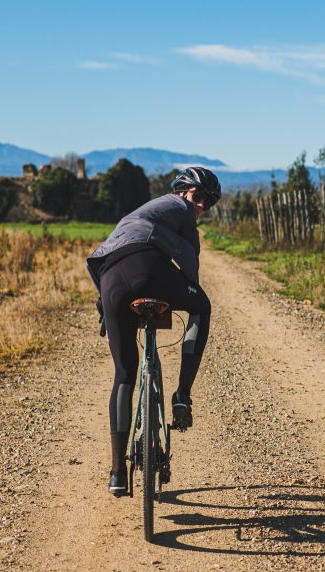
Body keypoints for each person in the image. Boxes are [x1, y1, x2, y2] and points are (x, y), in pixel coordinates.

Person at [86, 166, 221, 496]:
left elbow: (99, 265)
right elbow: (190, 265)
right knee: (202, 307)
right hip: (149, 268)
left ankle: (118, 473)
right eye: (198, 196)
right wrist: (186, 291)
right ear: (181, 191)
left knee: (124, 376)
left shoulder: (137, 214)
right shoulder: (179, 208)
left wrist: (108, 309)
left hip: (111, 280)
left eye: (209, 202)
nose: (201, 205)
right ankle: (182, 395)